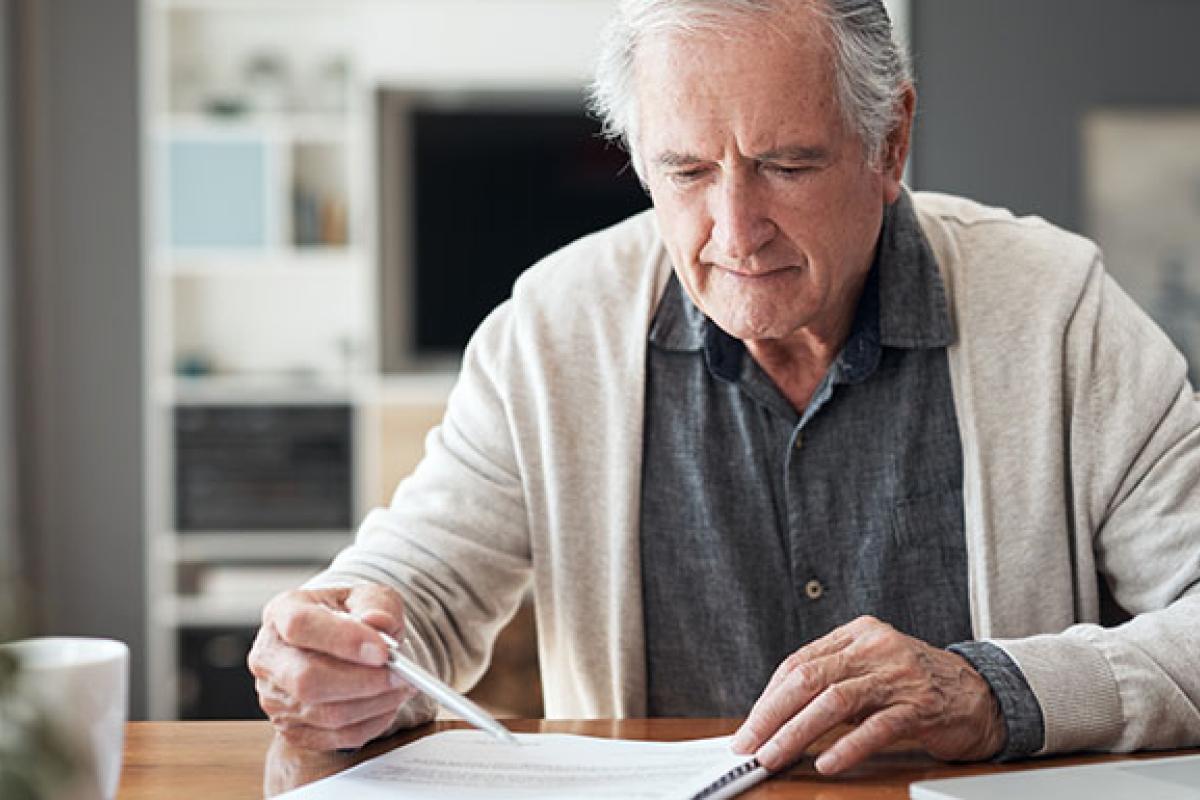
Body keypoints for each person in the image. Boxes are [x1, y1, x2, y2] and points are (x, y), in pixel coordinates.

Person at [248, 0, 1200, 776]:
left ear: (891, 141)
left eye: (787, 165)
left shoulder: (1060, 311)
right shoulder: (551, 329)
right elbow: (416, 593)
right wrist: (337, 649)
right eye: (687, 170)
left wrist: (987, 690)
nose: (735, 232)